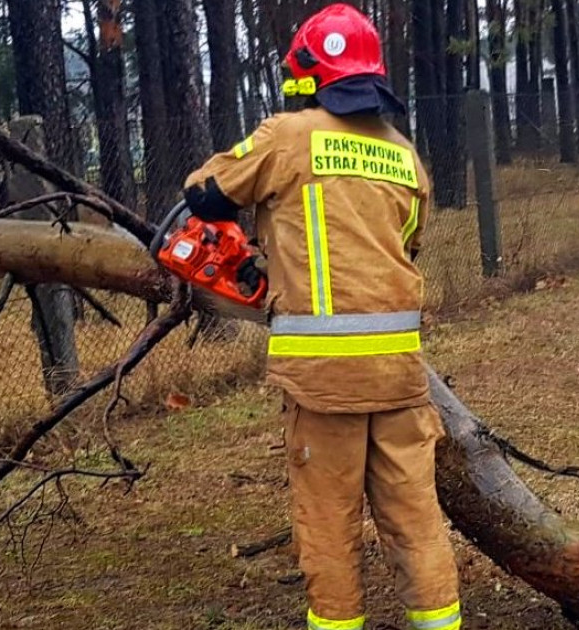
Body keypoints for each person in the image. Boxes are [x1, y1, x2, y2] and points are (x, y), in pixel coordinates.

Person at [181, 4, 461, 630]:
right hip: (398, 376)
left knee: (329, 527)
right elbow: (404, 247)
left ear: (307, 74)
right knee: (416, 520)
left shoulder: (288, 136)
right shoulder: (405, 157)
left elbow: (205, 193)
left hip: (322, 378)